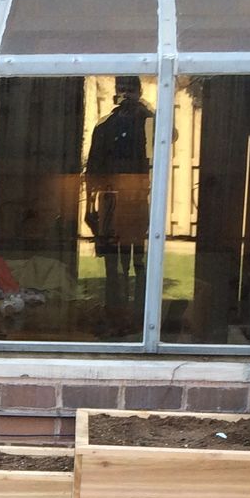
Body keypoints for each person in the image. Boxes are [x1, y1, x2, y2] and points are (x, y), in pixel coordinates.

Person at [86, 75, 155, 320]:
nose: (124, 94)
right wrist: (91, 207)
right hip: (111, 200)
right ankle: (114, 311)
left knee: (139, 259)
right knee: (112, 263)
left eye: (129, 90)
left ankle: (142, 315)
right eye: (121, 89)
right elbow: (93, 169)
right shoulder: (105, 125)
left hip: (136, 199)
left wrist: (145, 110)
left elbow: (168, 140)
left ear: (139, 91)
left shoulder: (148, 121)